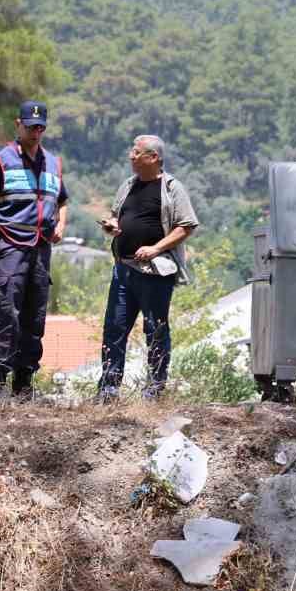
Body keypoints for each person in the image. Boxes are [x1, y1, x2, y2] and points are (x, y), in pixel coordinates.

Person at [0, 100, 69, 400]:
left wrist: (61, 226)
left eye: (41, 127)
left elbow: (63, 202)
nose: (36, 132)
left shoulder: (53, 163)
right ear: (18, 124)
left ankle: (24, 384)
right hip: (9, 246)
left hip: (41, 249)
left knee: (34, 316)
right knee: (7, 313)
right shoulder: (0, 161)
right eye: (30, 127)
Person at [96, 134, 199, 401]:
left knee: (155, 329)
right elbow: (116, 215)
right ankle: (108, 391)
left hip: (155, 272)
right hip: (123, 270)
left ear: (153, 157)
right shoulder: (127, 185)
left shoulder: (172, 188)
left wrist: (156, 248)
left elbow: (186, 225)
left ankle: (153, 391)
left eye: (137, 152)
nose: (131, 155)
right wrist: (111, 225)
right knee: (114, 329)